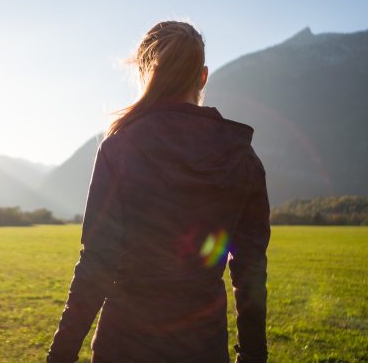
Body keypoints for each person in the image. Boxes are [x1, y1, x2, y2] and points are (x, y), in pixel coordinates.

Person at [46, 21, 270, 363]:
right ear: (203, 76)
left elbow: (97, 262)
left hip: (124, 345)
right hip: (203, 347)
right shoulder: (241, 156)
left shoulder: (120, 148)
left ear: (145, 73)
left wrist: (59, 355)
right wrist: (254, 354)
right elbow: (250, 266)